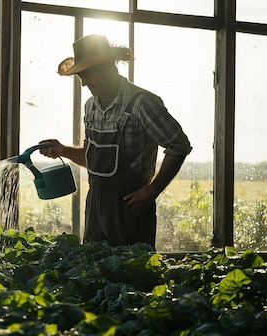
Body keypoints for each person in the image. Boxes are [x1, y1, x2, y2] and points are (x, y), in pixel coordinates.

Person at [39, 34, 192, 248]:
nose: (83, 83)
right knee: (93, 273)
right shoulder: (90, 106)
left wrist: (152, 190)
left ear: (107, 67)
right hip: (95, 207)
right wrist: (62, 150)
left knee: (130, 274)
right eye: (79, 76)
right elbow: (93, 158)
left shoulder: (142, 103)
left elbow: (179, 145)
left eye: (87, 74)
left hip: (130, 209)